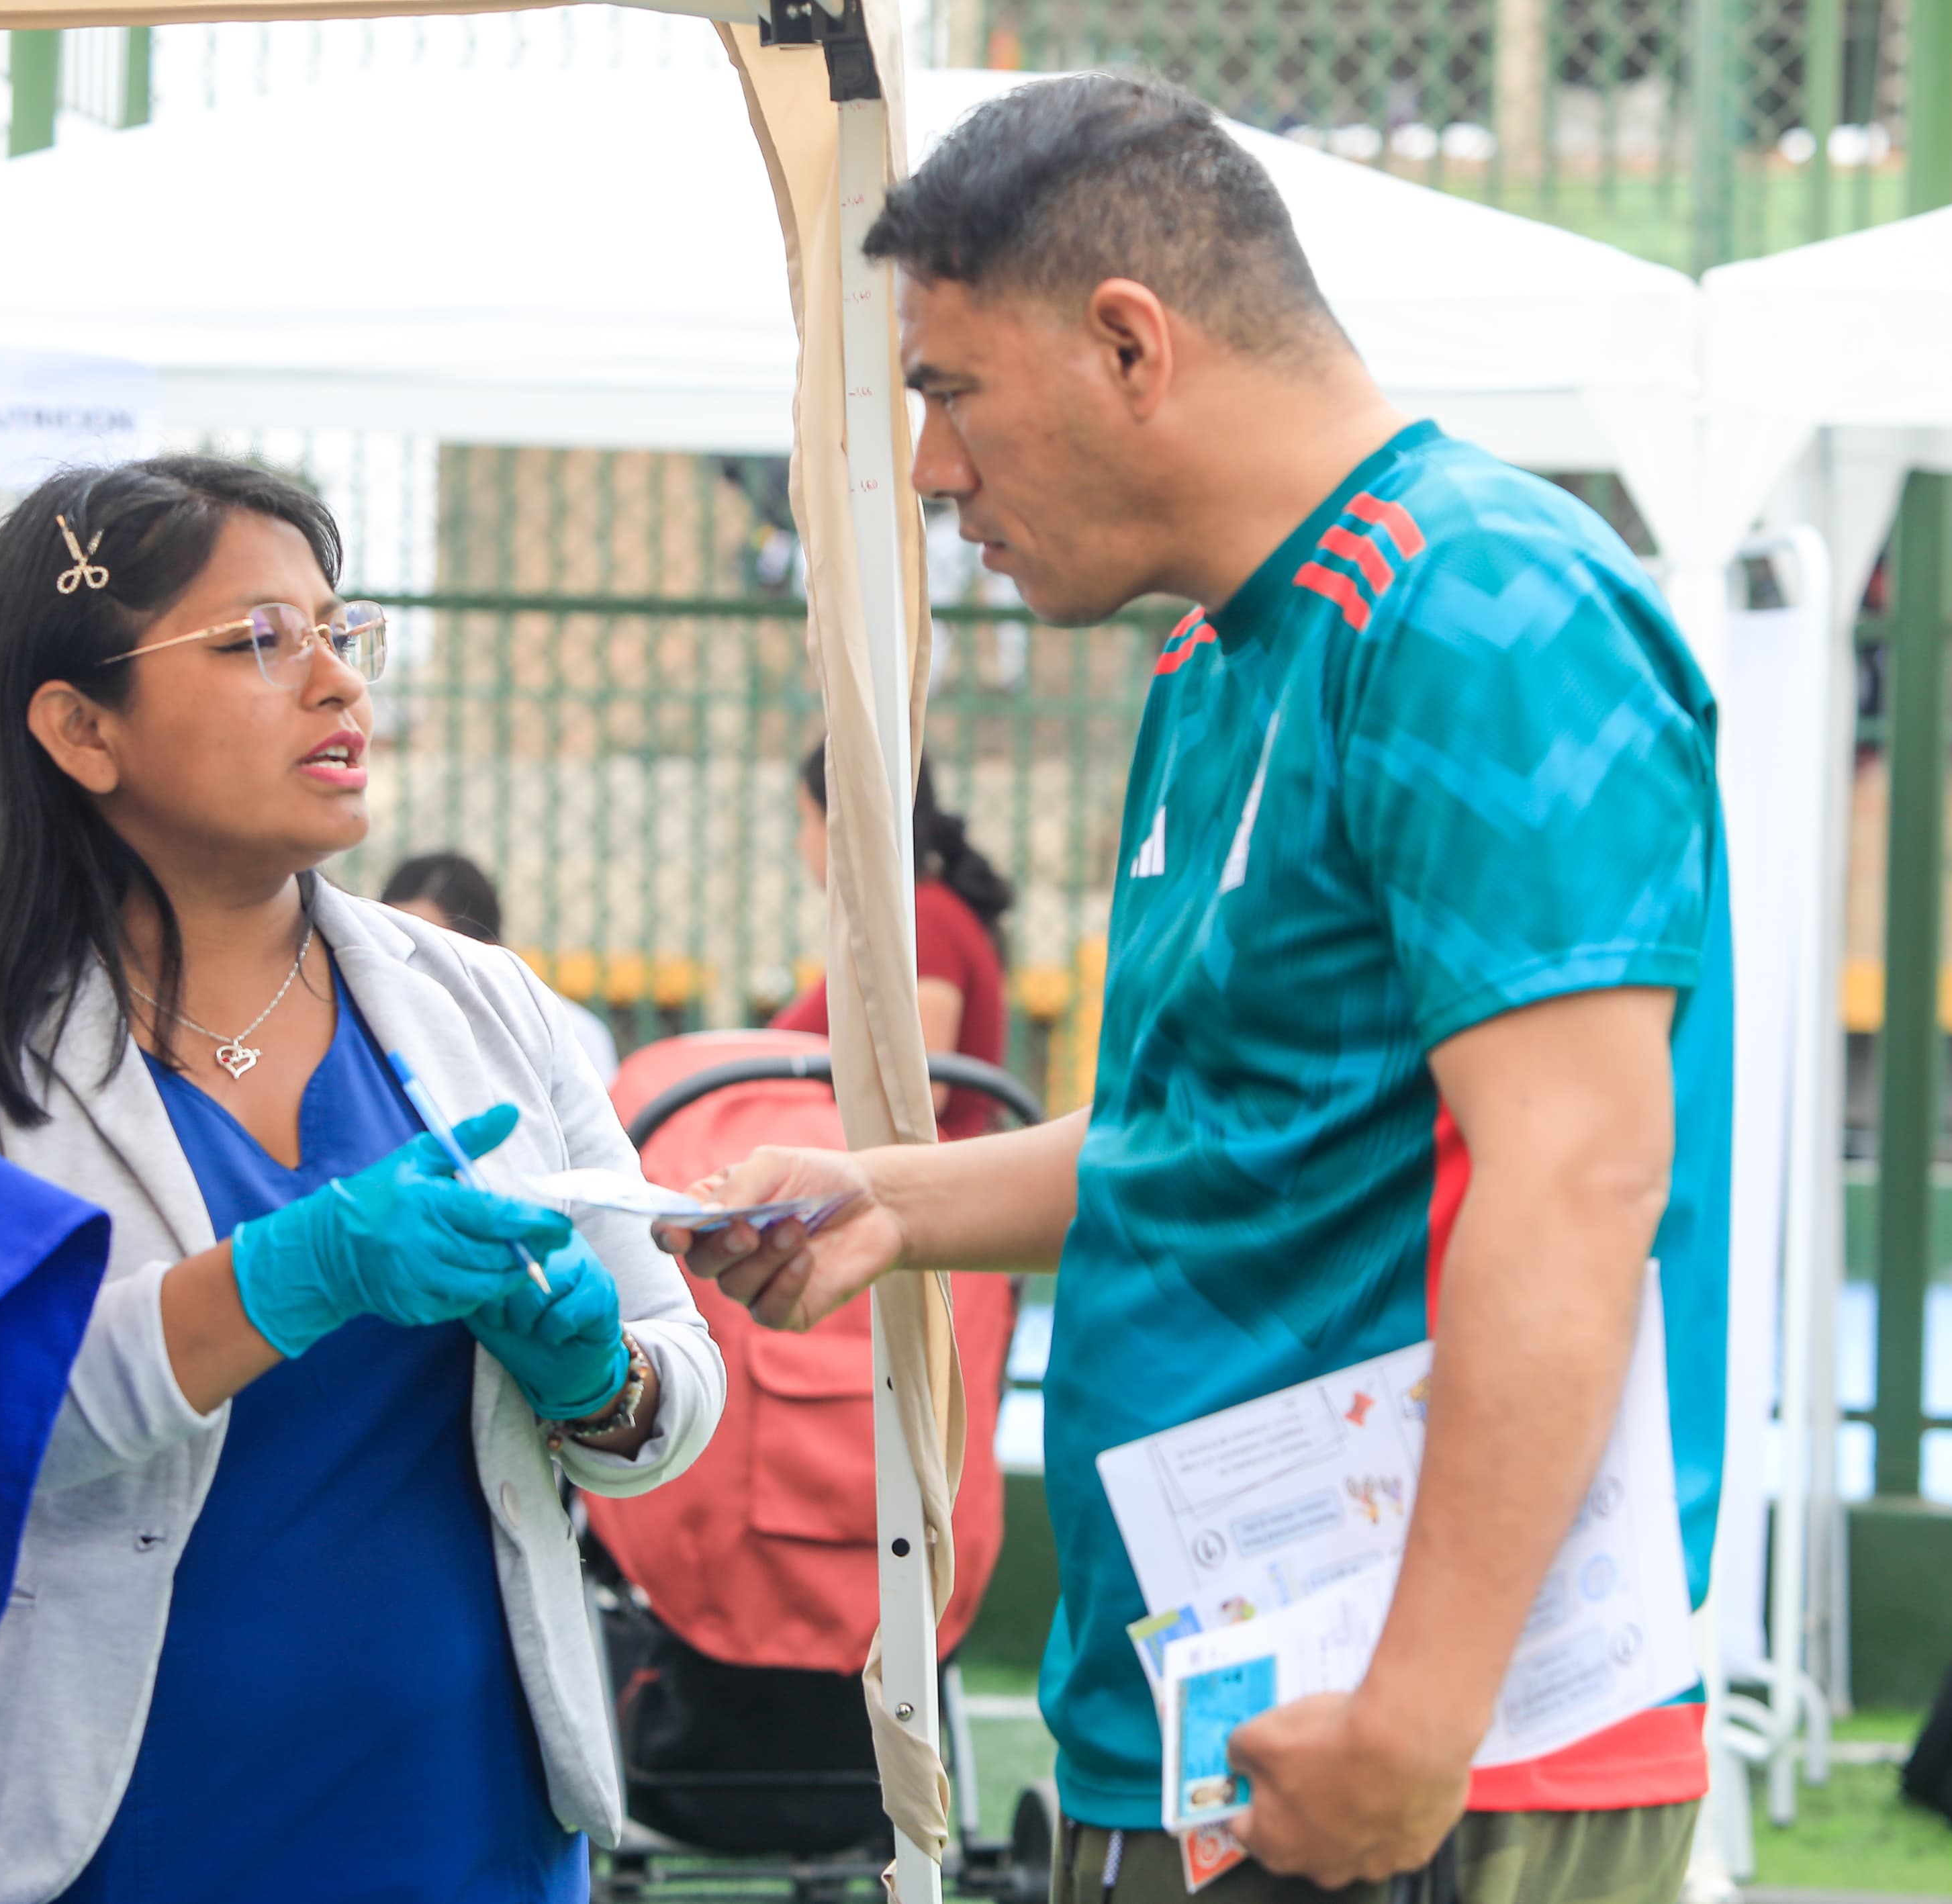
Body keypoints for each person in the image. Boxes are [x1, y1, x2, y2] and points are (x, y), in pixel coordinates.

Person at [665, 75, 1730, 1904]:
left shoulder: (1485, 608)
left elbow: (1576, 1179)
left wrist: (1419, 1711)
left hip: (1421, 1752)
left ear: (1127, 345)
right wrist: (891, 1199)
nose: (928, 469)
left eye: (948, 391)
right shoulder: (1224, 654)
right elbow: (1221, 1139)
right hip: (1197, 1711)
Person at [0, 456, 723, 1904]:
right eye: (255, 643)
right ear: (80, 727)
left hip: (462, 1819)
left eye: (338, 634)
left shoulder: (484, 1005)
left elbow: (675, 1377)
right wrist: (292, 1273)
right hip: (108, 1835)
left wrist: (602, 1378)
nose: (338, 686)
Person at [772, 739, 1013, 1139]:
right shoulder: (910, 916)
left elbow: (920, 1092)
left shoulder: (924, 921)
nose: (801, 841)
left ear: (840, 824)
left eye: (807, 818)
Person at [382, 849, 622, 1086]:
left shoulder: (568, 1034)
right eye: (390, 945)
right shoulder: (375, 1026)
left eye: (425, 951)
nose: (404, 966)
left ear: (484, 948)